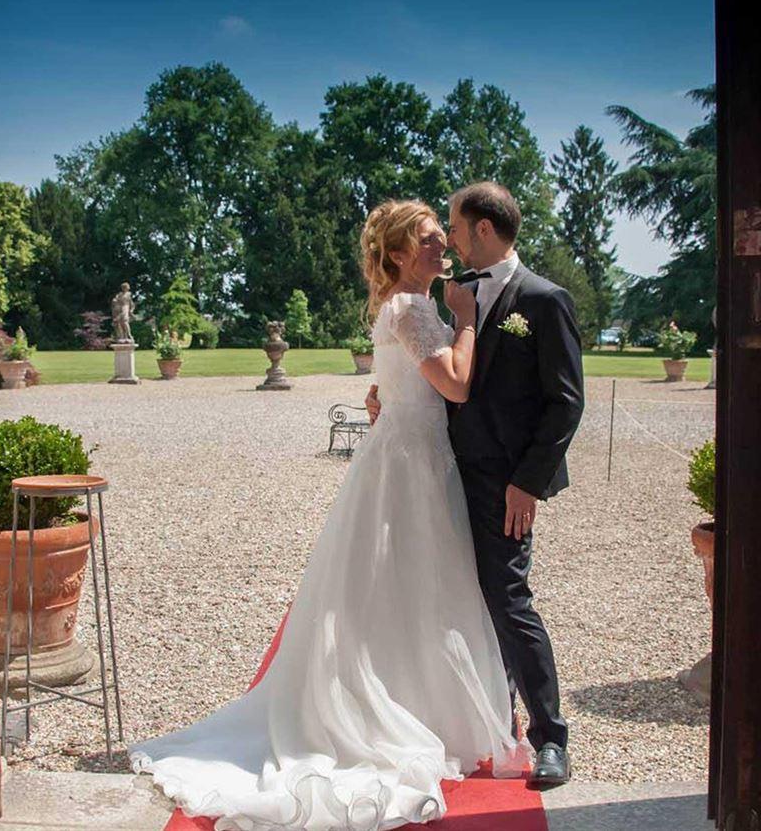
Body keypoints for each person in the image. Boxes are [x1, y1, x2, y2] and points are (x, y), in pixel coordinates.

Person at [129, 200, 529, 831]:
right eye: (428, 240)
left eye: (438, 238)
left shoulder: (410, 306)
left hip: (417, 456)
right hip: (407, 464)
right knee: (403, 583)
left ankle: (418, 700)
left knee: (416, 587)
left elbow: (408, 389)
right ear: (398, 253)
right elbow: (454, 384)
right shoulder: (411, 307)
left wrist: (393, 392)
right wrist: (468, 321)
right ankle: (387, 709)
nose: (440, 248)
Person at [366, 181, 585, 786]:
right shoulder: (449, 298)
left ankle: (550, 738)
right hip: (439, 473)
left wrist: (528, 484)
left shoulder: (544, 300)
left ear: (483, 230)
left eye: (456, 230)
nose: (451, 241)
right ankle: (489, 721)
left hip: (503, 484)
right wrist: (387, 393)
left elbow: (565, 404)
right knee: (455, 600)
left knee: (507, 600)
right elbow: (435, 376)